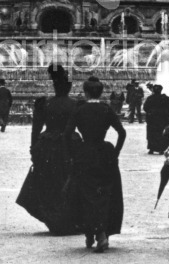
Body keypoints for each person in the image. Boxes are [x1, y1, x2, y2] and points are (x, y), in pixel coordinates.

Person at [17, 65, 80, 235]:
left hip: (47, 146)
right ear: (68, 87)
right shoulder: (75, 104)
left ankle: (53, 219)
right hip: (69, 145)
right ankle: (68, 219)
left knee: (49, 183)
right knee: (69, 181)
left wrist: (33, 149)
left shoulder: (45, 103)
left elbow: (35, 129)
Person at [66, 76, 126, 252]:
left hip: (85, 153)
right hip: (104, 152)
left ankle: (92, 232)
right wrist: (115, 153)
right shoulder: (106, 109)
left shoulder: (80, 110)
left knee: (85, 193)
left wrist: (71, 154)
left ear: (85, 92)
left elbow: (66, 134)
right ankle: (101, 231)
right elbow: (122, 133)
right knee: (104, 193)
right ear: (101, 92)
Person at [143, 84, 169, 154]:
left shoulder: (150, 98)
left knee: (152, 134)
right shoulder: (167, 99)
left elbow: (145, 108)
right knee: (161, 134)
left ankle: (151, 149)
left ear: (153, 90)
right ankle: (161, 149)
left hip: (152, 119)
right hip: (163, 119)